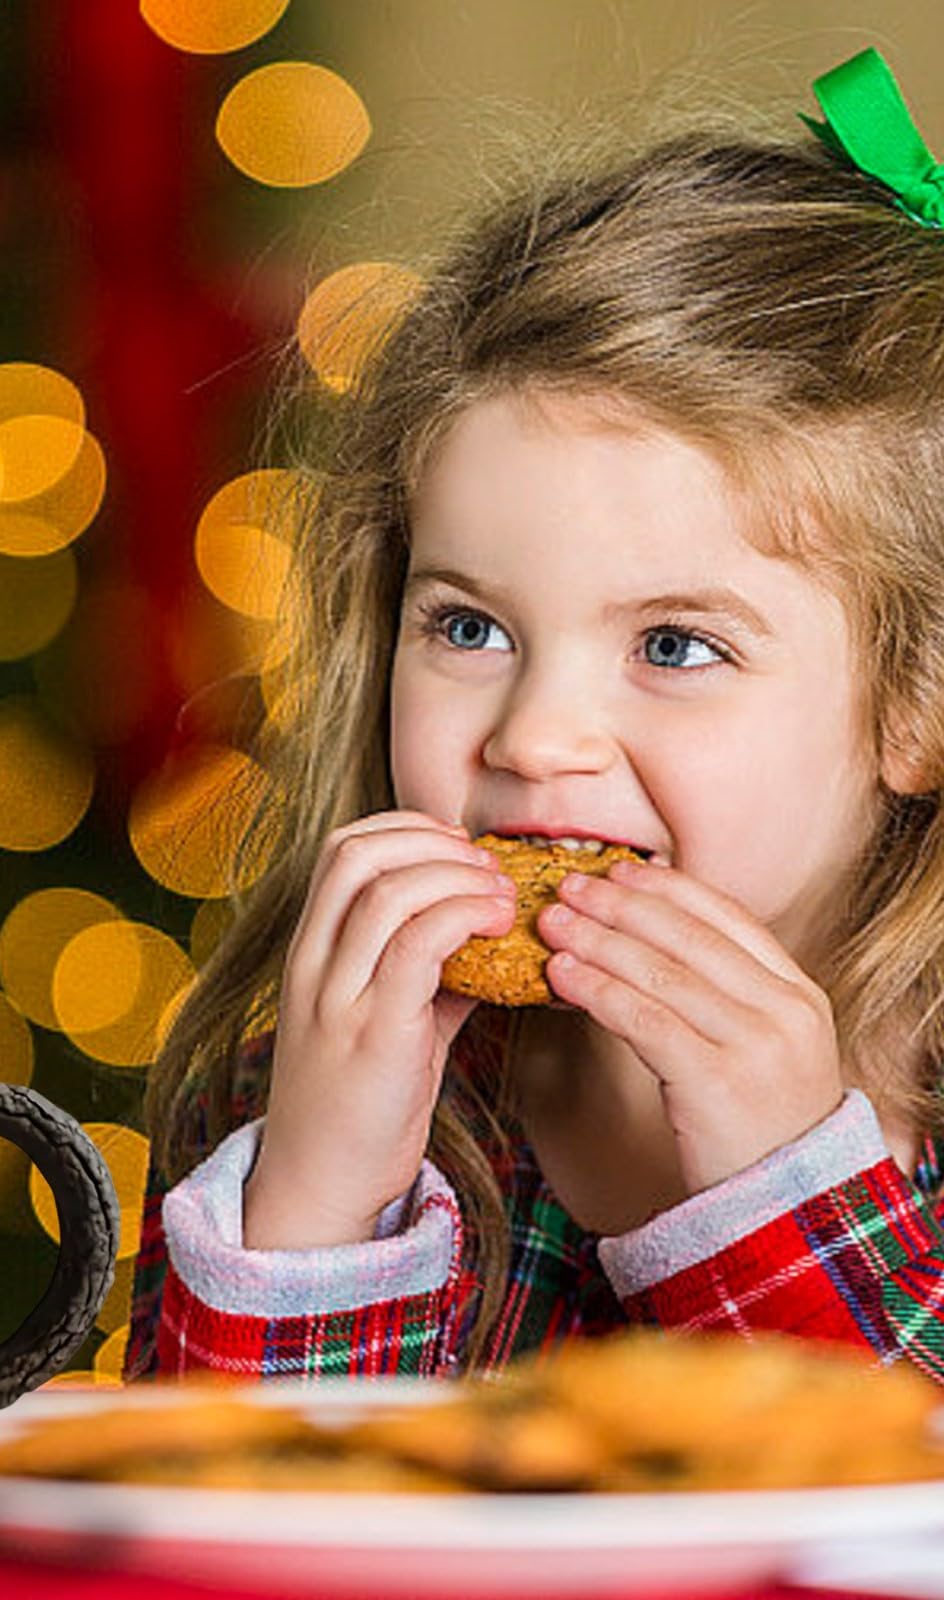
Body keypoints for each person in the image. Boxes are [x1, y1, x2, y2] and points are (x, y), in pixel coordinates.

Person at [124, 46, 944, 1383]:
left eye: (674, 646)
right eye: (469, 628)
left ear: (916, 705)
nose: (533, 738)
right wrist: (319, 1207)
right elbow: (213, 1503)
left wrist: (789, 1210)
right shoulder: (313, 1087)